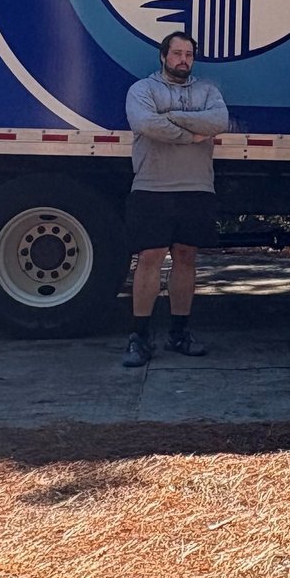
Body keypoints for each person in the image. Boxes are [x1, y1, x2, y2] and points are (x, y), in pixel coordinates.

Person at [121, 31, 230, 366]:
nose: (183, 60)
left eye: (189, 54)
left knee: (186, 257)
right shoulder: (142, 89)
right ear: (163, 56)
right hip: (152, 186)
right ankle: (139, 337)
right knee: (149, 258)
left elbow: (219, 121)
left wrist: (170, 116)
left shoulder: (207, 90)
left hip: (197, 187)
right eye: (177, 53)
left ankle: (179, 333)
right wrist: (191, 135)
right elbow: (144, 123)